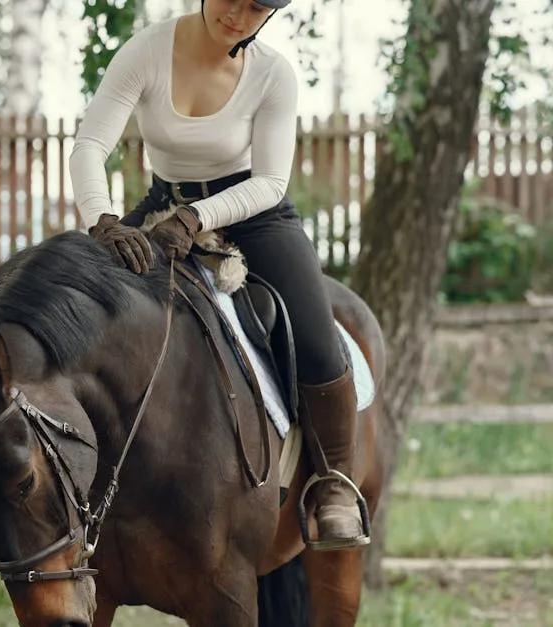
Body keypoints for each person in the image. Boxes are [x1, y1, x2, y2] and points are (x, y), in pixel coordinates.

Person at [68, 0, 370, 551]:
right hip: (162, 206)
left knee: (316, 336)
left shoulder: (273, 74)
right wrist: (103, 221)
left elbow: (271, 182)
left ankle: (335, 484)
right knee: (76, 302)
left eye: (257, 7)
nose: (238, 15)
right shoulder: (145, 50)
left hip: (252, 213)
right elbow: (90, 145)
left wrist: (196, 218)